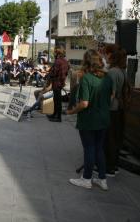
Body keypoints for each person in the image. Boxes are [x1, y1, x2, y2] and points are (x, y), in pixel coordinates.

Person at [67, 49, 112, 191]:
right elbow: (111, 97)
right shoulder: (108, 77)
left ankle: (86, 179)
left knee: (89, 149)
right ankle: (102, 179)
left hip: (89, 120)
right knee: (99, 149)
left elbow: (84, 103)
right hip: (104, 119)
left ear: (86, 62)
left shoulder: (86, 78)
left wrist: (72, 111)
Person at [104, 44, 128, 177]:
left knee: (109, 140)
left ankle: (109, 167)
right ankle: (114, 165)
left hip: (112, 109)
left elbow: (111, 94)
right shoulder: (122, 70)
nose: (104, 56)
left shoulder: (113, 72)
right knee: (116, 138)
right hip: (119, 108)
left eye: (106, 53)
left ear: (111, 55)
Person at [47, 47, 69, 122]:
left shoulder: (58, 61)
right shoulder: (65, 61)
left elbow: (54, 72)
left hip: (56, 82)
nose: (54, 54)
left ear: (58, 53)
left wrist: (49, 74)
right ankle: (54, 114)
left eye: (55, 52)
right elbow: (66, 72)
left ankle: (58, 117)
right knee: (56, 99)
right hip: (60, 82)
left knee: (57, 101)